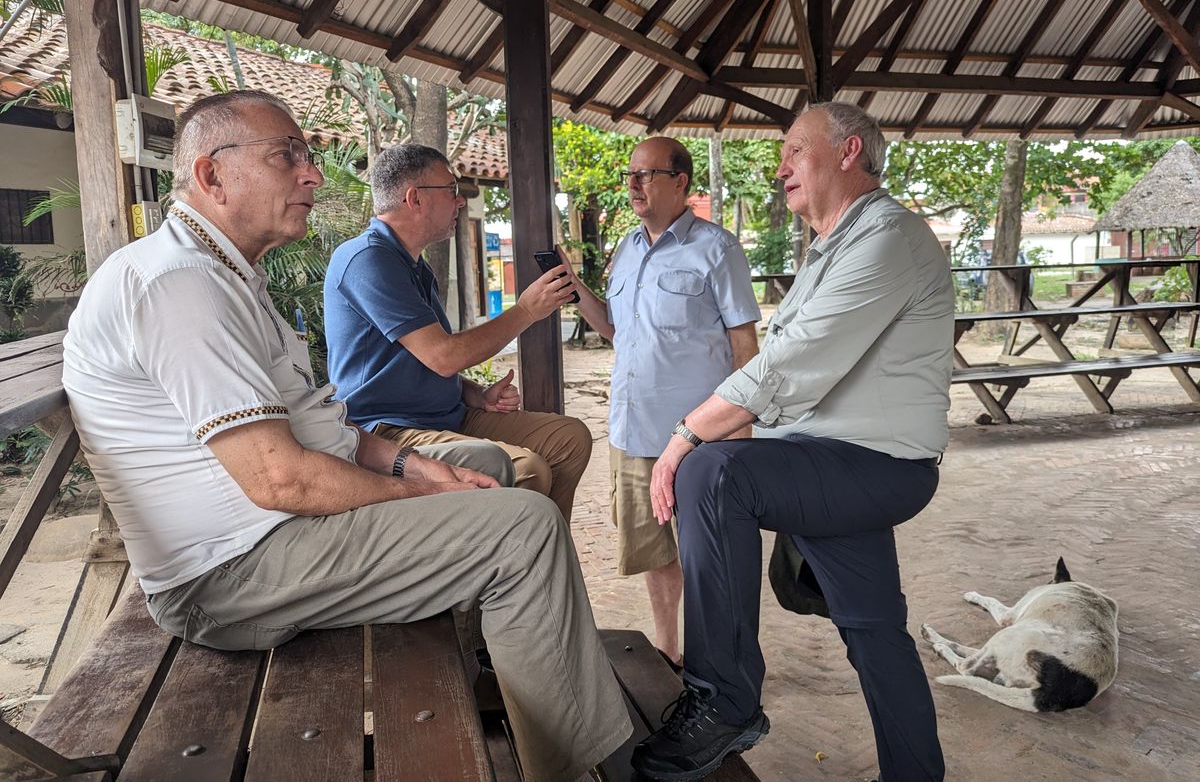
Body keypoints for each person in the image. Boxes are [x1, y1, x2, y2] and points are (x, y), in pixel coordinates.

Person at [61, 90, 632, 782]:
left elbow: (323, 427)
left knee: (493, 479)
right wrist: (414, 495)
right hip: (229, 574)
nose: (313, 174)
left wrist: (417, 469)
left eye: (307, 156)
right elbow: (281, 479)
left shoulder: (224, 276)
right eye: (287, 157)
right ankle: (586, 766)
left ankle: (523, 685)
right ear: (211, 175)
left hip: (267, 539)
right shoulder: (179, 285)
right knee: (523, 528)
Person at [631, 103, 952, 782]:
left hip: (873, 466)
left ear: (847, 152)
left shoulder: (887, 239)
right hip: (834, 460)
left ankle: (724, 701)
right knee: (873, 633)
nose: (780, 169)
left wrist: (685, 435)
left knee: (711, 475)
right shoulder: (834, 246)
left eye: (794, 152)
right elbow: (792, 381)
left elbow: (792, 361)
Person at [561, 136, 760, 669]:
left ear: (681, 183)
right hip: (631, 432)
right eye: (630, 174)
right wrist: (574, 284)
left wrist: (740, 434)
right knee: (654, 552)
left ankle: (719, 660)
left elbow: (745, 344)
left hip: (699, 438)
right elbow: (612, 329)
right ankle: (670, 651)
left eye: (647, 174)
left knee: (707, 556)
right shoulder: (627, 248)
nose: (633, 184)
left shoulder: (718, 249)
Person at [323, 144, 589, 523]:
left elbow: (420, 359)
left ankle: (543, 553)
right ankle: (506, 568)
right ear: (414, 198)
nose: (460, 201)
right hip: (387, 429)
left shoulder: (413, 264)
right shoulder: (367, 259)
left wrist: (475, 393)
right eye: (451, 190)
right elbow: (443, 355)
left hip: (445, 416)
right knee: (526, 469)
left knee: (569, 438)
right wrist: (528, 310)